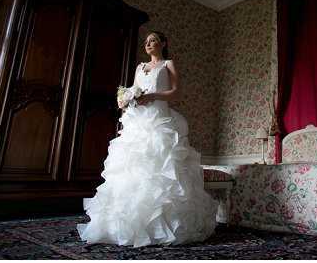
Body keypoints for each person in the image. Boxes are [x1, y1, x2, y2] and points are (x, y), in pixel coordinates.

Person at [77, 31, 217, 247]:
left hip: (159, 115)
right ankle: (129, 223)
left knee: (161, 161)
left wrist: (153, 96)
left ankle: (166, 225)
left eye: (153, 40)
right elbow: (134, 89)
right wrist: (126, 99)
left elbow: (175, 91)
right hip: (139, 118)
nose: (149, 43)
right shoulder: (139, 67)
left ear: (163, 43)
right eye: (146, 42)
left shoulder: (168, 63)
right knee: (133, 164)